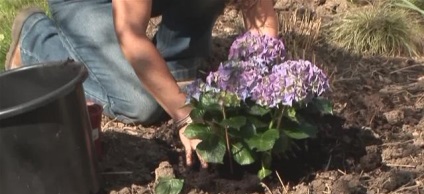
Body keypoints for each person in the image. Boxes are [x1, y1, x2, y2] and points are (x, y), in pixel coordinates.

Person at [5, 0, 278, 168]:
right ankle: (35, 40)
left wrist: (267, 83)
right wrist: (184, 116)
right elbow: (131, 35)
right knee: (140, 104)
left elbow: (260, 16)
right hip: (86, 2)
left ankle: (177, 58)